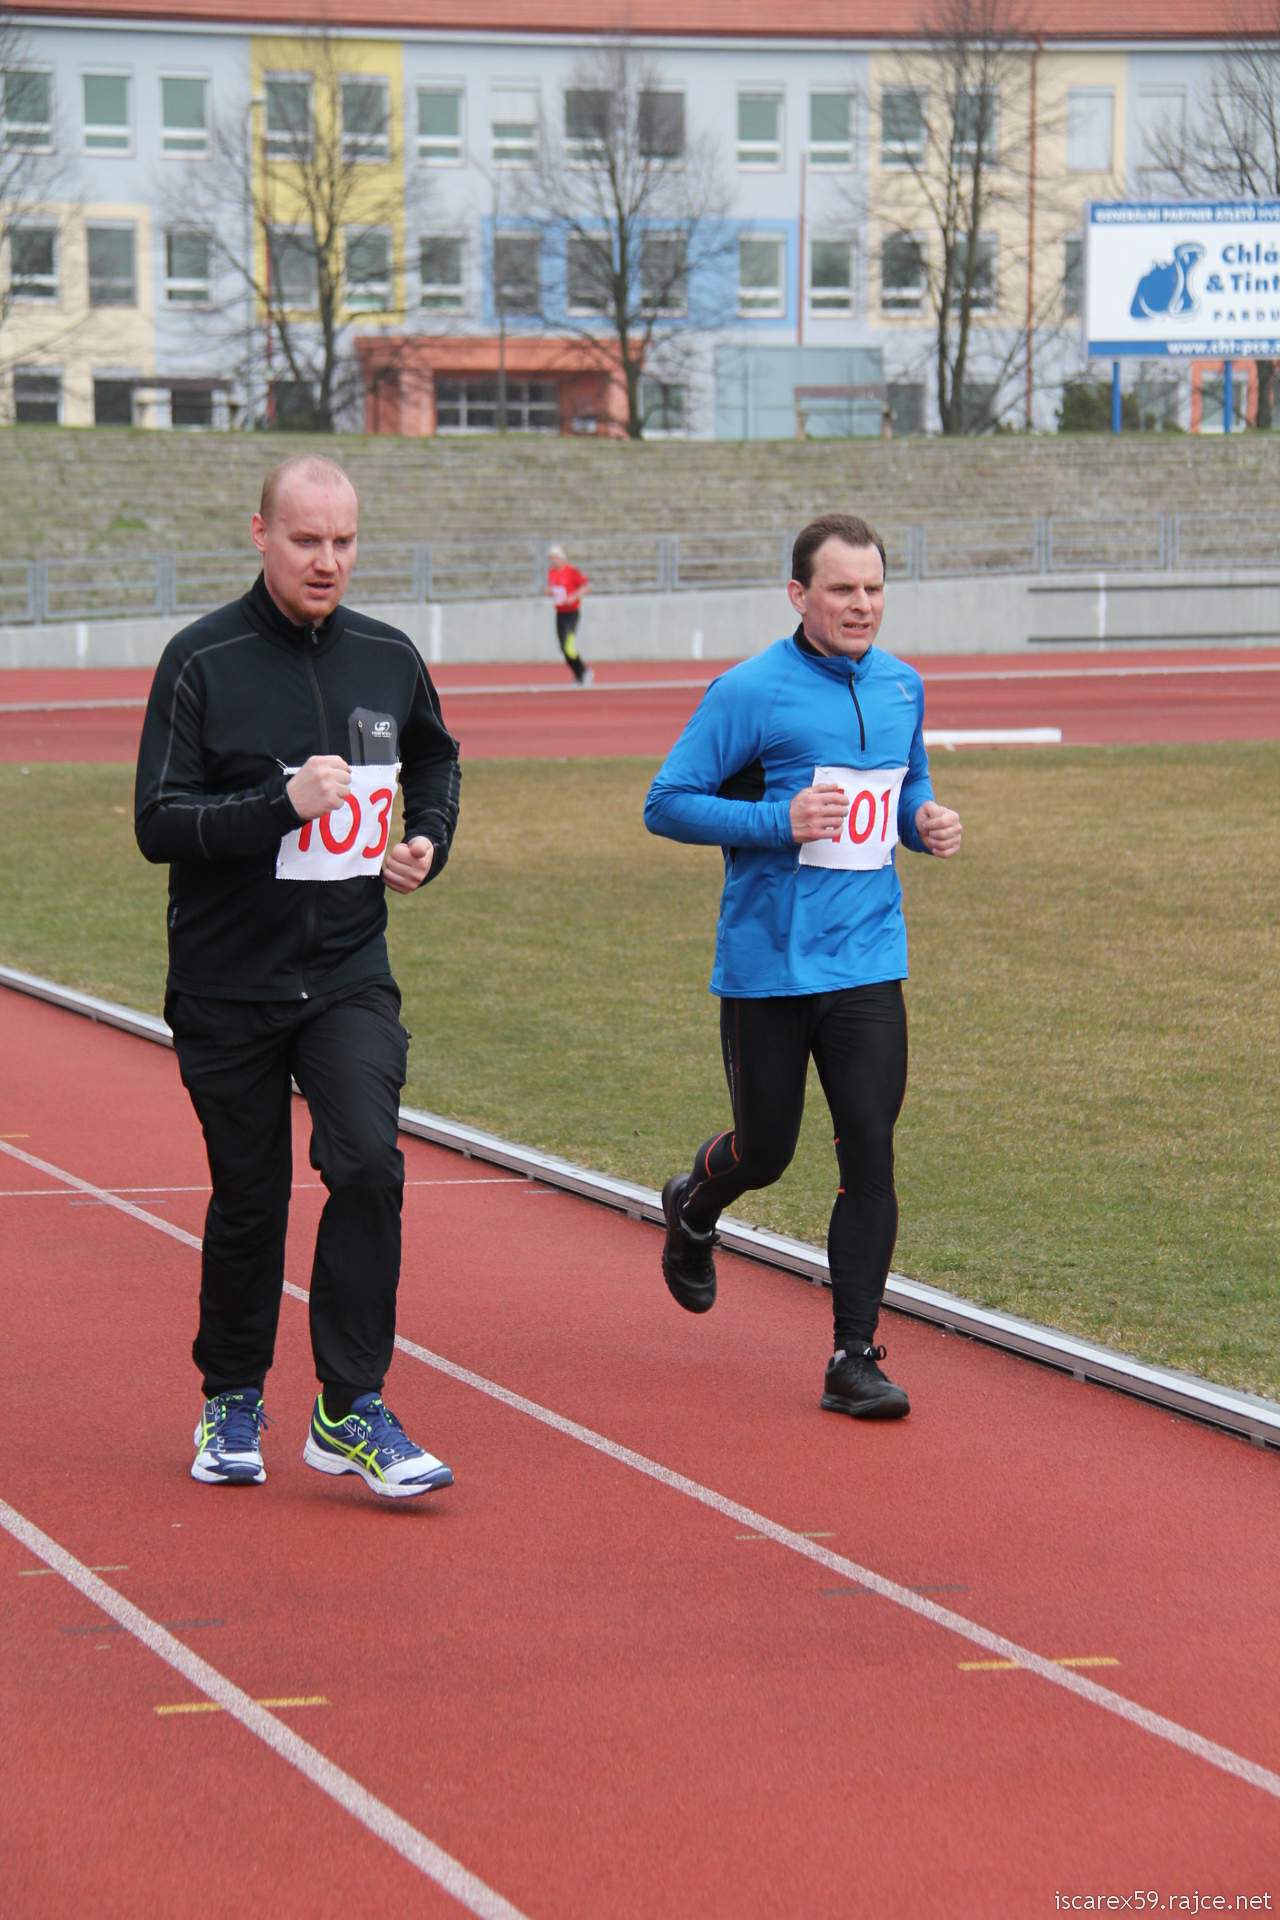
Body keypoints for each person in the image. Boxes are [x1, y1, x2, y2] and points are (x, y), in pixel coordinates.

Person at [135, 454, 461, 1498]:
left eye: (343, 541)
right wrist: (280, 806)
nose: (327, 560)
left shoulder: (386, 654)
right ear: (261, 535)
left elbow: (436, 756)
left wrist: (428, 838)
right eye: (307, 539)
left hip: (348, 971)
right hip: (227, 981)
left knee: (367, 1165)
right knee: (251, 1195)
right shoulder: (202, 660)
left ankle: (349, 1405)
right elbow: (158, 822)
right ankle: (231, 1395)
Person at [643, 513, 962, 1421]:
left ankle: (853, 1358)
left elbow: (905, 785)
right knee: (767, 1152)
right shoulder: (750, 691)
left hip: (868, 960)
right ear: (799, 595)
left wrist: (923, 822)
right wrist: (774, 822)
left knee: (871, 1150)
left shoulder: (902, 686)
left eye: (873, 589)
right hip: (770, 969)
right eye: (841, 589)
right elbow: (666, 803)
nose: (861, 605)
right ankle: (694, 1204)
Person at [545, 543, 594, 685]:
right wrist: (549, 591)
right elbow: (551, 588)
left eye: (555, 558)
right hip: (560, 613)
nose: (553, 561)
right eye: (551, 558)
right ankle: (579, 674)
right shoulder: (552, 572)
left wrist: (574, 596)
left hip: (571, 614)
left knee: (569, 647)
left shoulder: (572, 571)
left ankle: (584, 672)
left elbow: (587, 587)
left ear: (562, 558)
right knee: (563, 648)